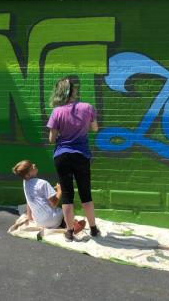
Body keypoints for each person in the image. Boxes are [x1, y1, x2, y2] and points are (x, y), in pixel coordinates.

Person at [47, 77, 100, 241]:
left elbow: (51, 138)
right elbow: (95, 128)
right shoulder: (88, 107)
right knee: (86, 194)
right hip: (81, 155)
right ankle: (93, 229)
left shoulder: (57, 111)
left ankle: (69, 232)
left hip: (62, 156)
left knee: (67, 195)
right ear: (72, 91)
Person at [12, 160, 86, 232]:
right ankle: (72, 225)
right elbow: (54, 204)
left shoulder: (25, 183)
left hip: (39, 222)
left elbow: (29, 200)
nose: (34, 165)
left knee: (55, 214)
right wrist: (59, 191)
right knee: (63, 211)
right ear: (28, 175)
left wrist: (29, 217)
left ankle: (66, 224)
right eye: (31, 167)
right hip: (51, 220)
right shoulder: (43, 183)